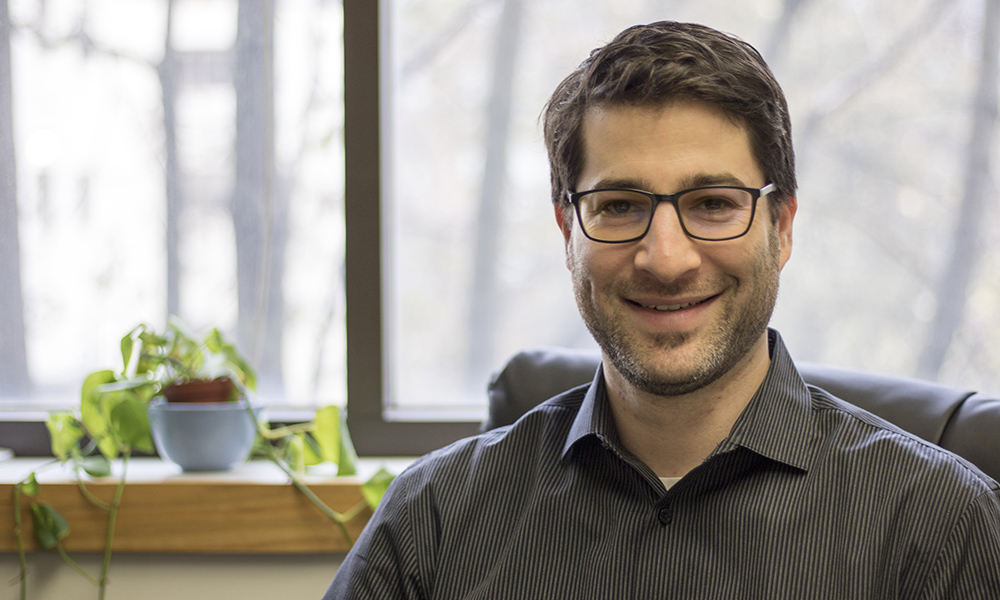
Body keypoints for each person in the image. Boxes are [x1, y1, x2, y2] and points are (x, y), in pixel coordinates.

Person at [324, 21, 1000, 599]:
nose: (667, 258)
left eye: (712, 204)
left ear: (783, 227)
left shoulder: (939, 526)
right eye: (619, 207)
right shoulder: (434, 519)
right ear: (568, 233)